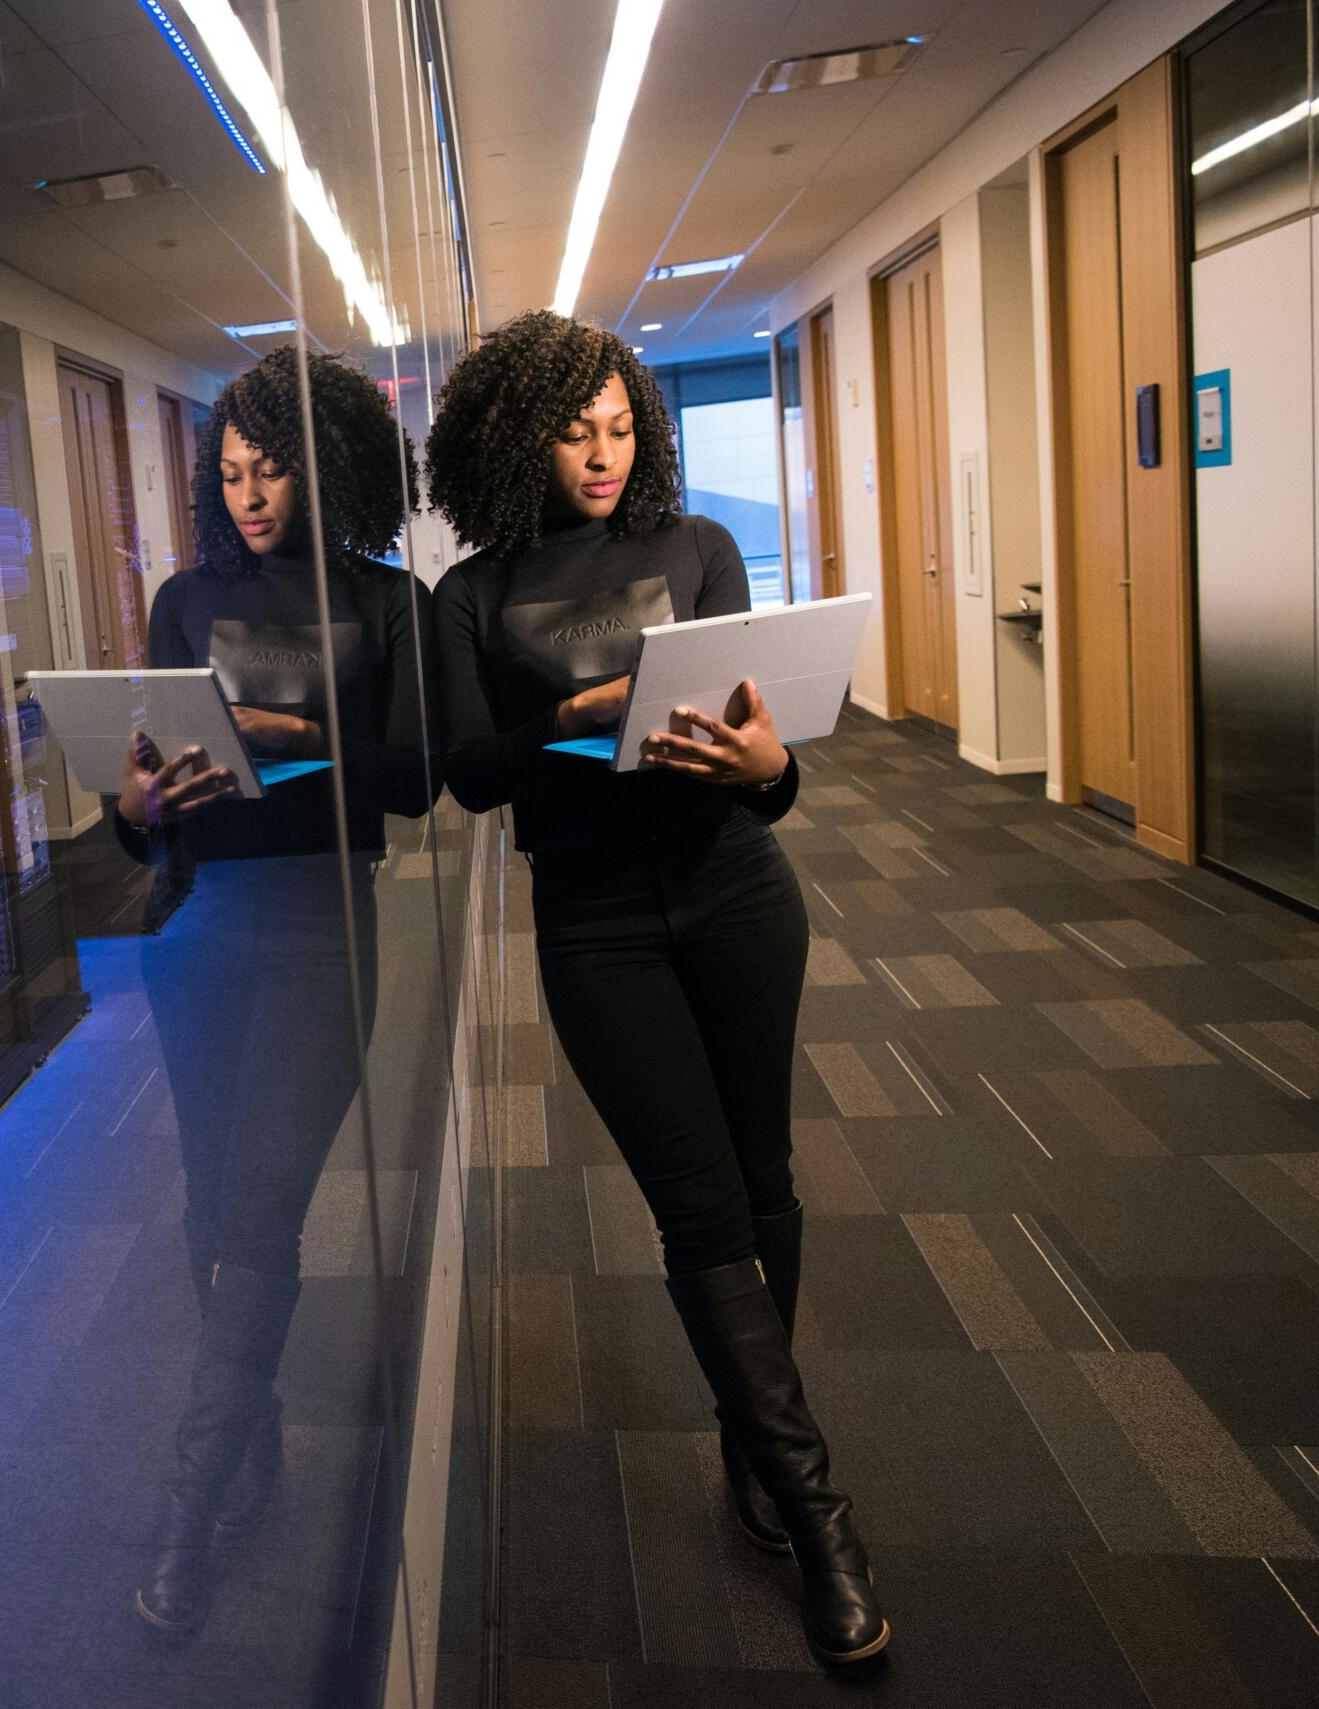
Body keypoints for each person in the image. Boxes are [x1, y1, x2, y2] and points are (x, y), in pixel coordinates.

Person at [423, 310, 889, 1665]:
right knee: (697, 1214)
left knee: (766, 1180)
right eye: (577, 431)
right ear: (519, 436)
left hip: (738, 889)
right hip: (596, 921)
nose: (606, 453)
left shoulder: (700, 549)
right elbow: (467, 769)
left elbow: (766, 750)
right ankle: (820, 1522)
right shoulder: (474, 593)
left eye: (624, 427)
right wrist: (572, 719)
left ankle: (755, 1440)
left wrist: (771, 770)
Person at [113, 347, 431, 1636]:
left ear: (327, 460)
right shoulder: (183, 601)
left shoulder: (384, 601)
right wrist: (137, 806)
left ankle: (191, 1508)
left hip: (321, 934)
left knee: (262, 1213)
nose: (249, 493)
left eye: (272, 467)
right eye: (231, 472)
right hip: (200, 929)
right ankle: (252, 1442)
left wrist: (299, 737)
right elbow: (141, 815)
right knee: (209, 1212)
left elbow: (416, 782)